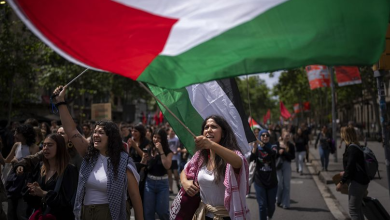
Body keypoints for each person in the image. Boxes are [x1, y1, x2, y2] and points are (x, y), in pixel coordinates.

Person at [52, 85, 144, 220]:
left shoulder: (122, 162)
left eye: (100, 132)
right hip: (86, 214)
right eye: (95, 132)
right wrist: (60, 102)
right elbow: (71, 130)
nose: (95, 135)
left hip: (110, 214)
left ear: (111, 138)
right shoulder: (90, 155)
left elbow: (135, 196)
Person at [180, 115, 250, 220]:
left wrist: (211, 145)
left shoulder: (232, 155)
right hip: (203, 215)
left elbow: (238, 162)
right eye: (206, 127)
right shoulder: (200, 156)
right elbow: (185, 171)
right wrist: (185, 182)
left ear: (223, 133)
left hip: (226, 216)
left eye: (213, 126)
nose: (209, 130)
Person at [23, 133, 78, 220]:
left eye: (50, 145)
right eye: (44, 145)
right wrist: (32, 191)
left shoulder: (69, 170)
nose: (45, 148)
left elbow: (66, 202)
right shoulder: (40, 167)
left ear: (60, 147)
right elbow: (33, 202)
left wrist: (44, 193)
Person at [5, 124, 40, 220]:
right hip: (13, 181)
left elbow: (34, 165)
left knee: (21, 213)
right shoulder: (16, 145)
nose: (14, 135)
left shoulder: (34, 147)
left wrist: (18, 162)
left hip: (25, 183)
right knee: (10, 212)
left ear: (25, 134)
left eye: (17, 133)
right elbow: (7, 160)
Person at [336, 127, 370, 220]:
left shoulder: (352, 149)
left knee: (353, 211)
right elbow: (353, 166)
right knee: (358, 209)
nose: (341, 136)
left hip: (357, 183)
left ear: (346, 135)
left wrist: (341, 182)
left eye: (342, 134)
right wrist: (345, 171)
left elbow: (351, 167)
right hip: (361, 181)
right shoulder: (354, 147)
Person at [140, 128, 173, 220]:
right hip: (149, 182)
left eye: (159, 138)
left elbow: (167, 166)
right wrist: (143, 158)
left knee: (162, 211)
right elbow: (142, 166)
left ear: (163, 139)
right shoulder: (149, 148)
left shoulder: (168, 152)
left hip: (162, 184)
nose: (156, 140)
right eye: (154, 137)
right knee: (148, 212)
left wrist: (161, 151)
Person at [250, 129, 277, 220]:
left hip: (272, 182)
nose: (265, 137)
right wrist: (254, 148)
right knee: (262, 205)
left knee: (271, 205)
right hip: (259, 181)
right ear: (259, 137)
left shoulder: (273, 146)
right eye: (263, 135)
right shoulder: (257, 148)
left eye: (267, 135)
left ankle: (269, 215)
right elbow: (251, 159)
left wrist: (262, 145)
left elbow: (272, 153)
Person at [275, 131, 295, 209]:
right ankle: (278, 199)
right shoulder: (277, 144)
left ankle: (285, 203)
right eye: (286, 136)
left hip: (287, 165)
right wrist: (278, 152)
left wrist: (284, 152)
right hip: (278, 165)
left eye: (288, 136)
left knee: (286, 185)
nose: (287, 137)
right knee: (279, 183)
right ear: (282, 136)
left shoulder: (291, 146)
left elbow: (292, 156)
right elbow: (273, 155)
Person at [167, 127, 181, 193]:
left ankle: (178, 184)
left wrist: (178, 150)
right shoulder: (166, 138)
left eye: (173, 131)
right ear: (168, 131)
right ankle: (171, 188)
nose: (172, 132)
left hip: (175, 158)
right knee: (169, 174)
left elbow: (179, 146)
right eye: (171, 131)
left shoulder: (176, 138)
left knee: (175, 174)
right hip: (168, 158)